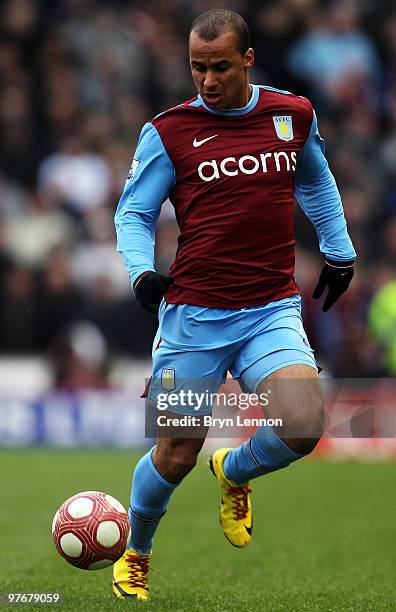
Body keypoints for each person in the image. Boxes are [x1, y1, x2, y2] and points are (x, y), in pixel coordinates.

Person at [113, 9, 356, 601]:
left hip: (269, 307)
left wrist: (339, 250)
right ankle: (135, 552)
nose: (207, 80)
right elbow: (134, 212)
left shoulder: (292, 115)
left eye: (220, 66)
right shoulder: (168, 131)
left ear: (246, 59)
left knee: (302, 424)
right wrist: (143, 274)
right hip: (194, 312)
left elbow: (316, 181)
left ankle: (235, 471)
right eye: (197, 67)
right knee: (174, 453)